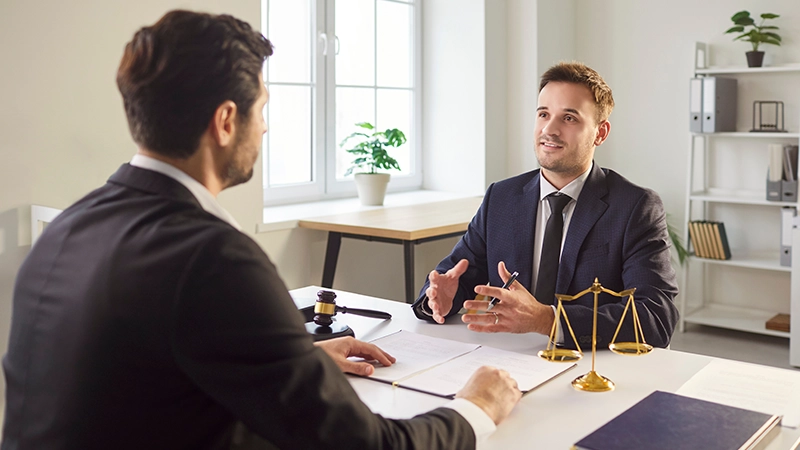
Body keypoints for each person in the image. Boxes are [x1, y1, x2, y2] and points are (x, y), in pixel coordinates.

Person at [1, 10, 521, 450]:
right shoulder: (214, 258)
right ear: (226, 121)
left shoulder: (68, 228)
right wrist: (476, 409)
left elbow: (140, 378)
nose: (266, 126)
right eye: (263, 108)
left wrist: (294, 363)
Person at [413, 62, 679, 350]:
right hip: (505, 362)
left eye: (569, 118)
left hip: (590, 371)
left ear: (600, 133)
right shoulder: (500, 198)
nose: (549, 129)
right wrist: (439, 299)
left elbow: (655, 318)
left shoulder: (635, 208)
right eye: (543, 114)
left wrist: (548, 321)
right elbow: (454, 277)